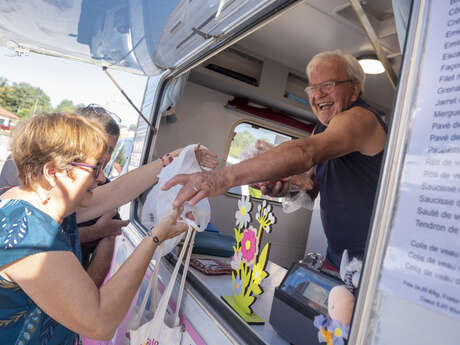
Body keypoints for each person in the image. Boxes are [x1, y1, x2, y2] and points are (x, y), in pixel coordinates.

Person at [0, 112, 218, 344]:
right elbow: (100, 323)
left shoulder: (35, 204)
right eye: (95, 168)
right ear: (52, 172)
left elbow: (117, 192)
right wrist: (155, 238)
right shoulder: (27, 232)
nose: (102, 178)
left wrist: (173, 159)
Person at [163, 50, 387, 270]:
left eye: (328, 85)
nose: (318, 95)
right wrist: (287, 188)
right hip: (336, 257)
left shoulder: (361, 118)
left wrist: (220, 178)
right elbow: (310, 187)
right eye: (312, 88)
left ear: (354, 89)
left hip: (370, 265)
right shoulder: (322, 129)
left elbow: (305, 153)